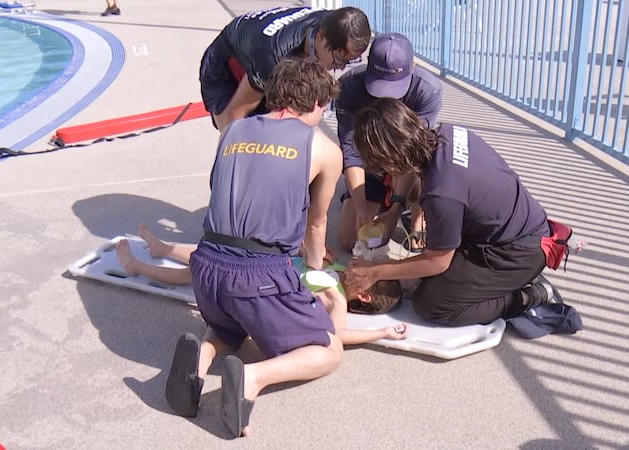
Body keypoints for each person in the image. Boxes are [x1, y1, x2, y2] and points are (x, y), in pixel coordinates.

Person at [164, 57, 346, 439]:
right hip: (258, 277)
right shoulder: (323, 148)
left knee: (232, 327)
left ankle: (202, 357)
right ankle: (252, 377)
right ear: (316, 103)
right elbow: (316, 224)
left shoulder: (233, 129)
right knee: (329, 350)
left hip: (207, 267)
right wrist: (314, 278)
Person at [344, 98, 556, 327]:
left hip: (516, 253)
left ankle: (527, 295)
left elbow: (437, 262)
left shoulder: (442, 194)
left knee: (431, 304)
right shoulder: (447, 134)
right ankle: (504, 281)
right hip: (515, 229)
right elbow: (410, 163)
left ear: (390, 161)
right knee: (425, 276)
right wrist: (395, 208)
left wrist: (375, 272)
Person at [114, 224, 403, 314]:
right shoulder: (339, 269)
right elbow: (308, 253)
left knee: (197, 273)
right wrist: (312, 251)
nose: (365, 267)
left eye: (370, 274)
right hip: (268, 260)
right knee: (214, 251)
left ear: (364, 295)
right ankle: (162, 249)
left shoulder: (333, 298)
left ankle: (137, 266)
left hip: (261, 278)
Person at [335, 33, 444, 253]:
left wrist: (397, 205)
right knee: (349, 241)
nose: (387, 97)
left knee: (422, 179)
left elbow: (415, 155)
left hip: (406, 165)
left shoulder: (428, 90)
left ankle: (414, 212)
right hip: (371, 165)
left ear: (412, 66)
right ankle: (379, 202)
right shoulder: (348, 87)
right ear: (368, 66)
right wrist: (361, 206)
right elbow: (350, 149)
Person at [200, 6, 371, 131]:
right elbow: (235, 114)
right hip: (226, 63)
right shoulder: (273, 56)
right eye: (339, 59)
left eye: (350, 61)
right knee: (240, 131)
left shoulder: (333, 24)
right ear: (320, 37)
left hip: (260, 51)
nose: (340, 67)